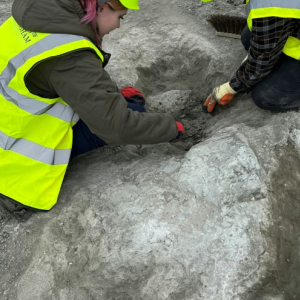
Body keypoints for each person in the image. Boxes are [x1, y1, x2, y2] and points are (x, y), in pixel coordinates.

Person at [0, 0, 184, 219]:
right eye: (120, 17)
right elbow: (116, 126)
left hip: (12, 120)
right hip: (15, 162)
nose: (118, 26)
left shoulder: (40, 13)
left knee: (124, 107)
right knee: (132, 113)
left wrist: (111, 96)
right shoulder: (69, 54)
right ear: (102, 7)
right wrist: (171, 128)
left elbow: (62, 79)